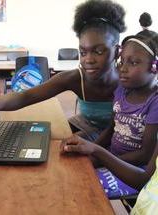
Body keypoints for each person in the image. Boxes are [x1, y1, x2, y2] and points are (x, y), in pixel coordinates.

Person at [0, 0, 126, 139]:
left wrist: (94, 150)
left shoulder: (131, 83)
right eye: (83, 52)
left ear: (117, 51)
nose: (88, 59)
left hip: (122, 140)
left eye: (98, 51)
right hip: (91, 131)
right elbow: (26, 96)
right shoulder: (76, 78)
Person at [61, 13, 158, 199]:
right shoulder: (123, 90)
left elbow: (145, 155)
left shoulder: (154, 102)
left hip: (134, 169)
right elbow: (113, 127)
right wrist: (91, 148)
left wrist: (100, 157)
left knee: (83, 188)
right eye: (122, 61)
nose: (123, 68)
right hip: (113, 157)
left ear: (154, 67)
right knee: (73, 169)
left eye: (134, 62)